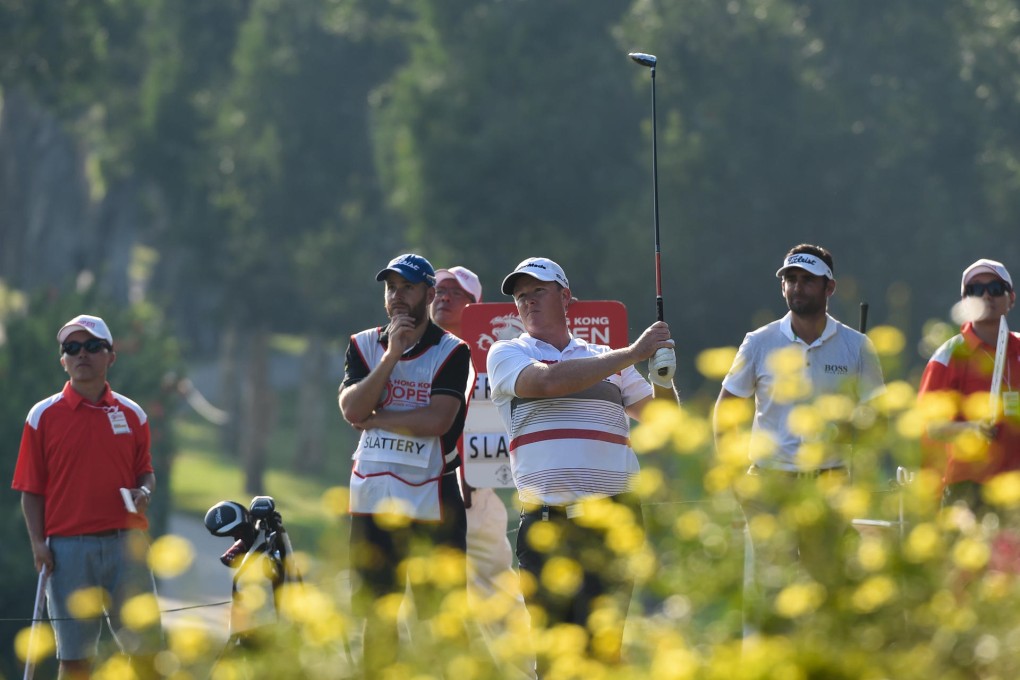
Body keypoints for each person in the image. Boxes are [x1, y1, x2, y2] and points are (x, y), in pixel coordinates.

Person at [486, 256, 677, 667]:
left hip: (611, 521)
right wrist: (634, 351)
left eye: (538, 290)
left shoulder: (609, 359)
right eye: (521, 296)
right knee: (554, 658)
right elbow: (548, 382)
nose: (528, 301)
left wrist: (662, 374)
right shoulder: (506, 354)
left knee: (604, 657)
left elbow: (664, 419)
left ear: (566, 296)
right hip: (545, 526)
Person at [713, 244, 885, 635]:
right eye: (791, 279)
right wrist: (733, 474)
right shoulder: (758, 341)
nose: (797, 287)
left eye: (808, 280)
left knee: (827, 589)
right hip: (770, 484)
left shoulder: (858, 346)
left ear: (830, 288)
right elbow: (727, 411)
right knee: (774, 592)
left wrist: (855, 427)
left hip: (830, 482)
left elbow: (878, 419)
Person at [339, 253, 471, 674]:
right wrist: (391, 355)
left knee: (441, 618)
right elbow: (351, 407)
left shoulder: (453, 350)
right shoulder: (363, 343)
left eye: (408, 287)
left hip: (435, 495)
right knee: (377, 615)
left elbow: (438, 419)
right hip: (373, 496)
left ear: (429, 294)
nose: (397, 296)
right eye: (390, 288)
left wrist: (377, 419)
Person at [11, 314, 163, 679]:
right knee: (76, 659)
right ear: (63, 360)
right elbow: (31, 490)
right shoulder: (42, 416)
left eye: (93, 346)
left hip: (127, 544)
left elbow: (146, 472)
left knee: (147, 653)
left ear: (111, 356)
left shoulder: (132, 413)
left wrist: (143, 491)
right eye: (72, 348)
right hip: (67, 550)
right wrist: (38, 544)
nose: (82, 354)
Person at [430, 265, 535, 677]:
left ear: (475, 307)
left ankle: (527, 673)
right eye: (438, 290)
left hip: (475, 497)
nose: (443, 297)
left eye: (456, 293)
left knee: (495, 602)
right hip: (420, 493)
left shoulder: (498, 354)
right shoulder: (414, 349)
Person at [919, 258, 1020, 518]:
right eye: (975, 290)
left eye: (995, 288)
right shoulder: (949, 355)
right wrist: (971, 429)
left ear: (1011, 299)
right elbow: (929, 426)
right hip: (967, 490)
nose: (986, 295)